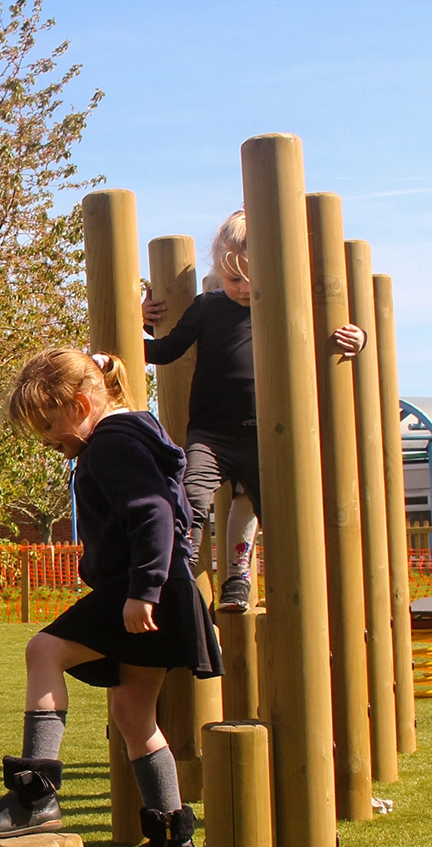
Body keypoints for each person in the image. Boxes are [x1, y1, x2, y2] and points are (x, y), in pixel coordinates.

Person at [0, 348, 221, 847]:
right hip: (164, 589)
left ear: (81, 403)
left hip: (143, 590)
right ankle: (172, 837)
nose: (48, 440)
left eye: (49, 425)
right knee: (132, 715)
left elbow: (153, 513)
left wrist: (142, 590)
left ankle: (36, 797)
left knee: (44, 651)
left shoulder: (109, 444)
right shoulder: (138, 431)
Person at [141, 210, 364, 611]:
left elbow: (330, 333)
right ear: (219, 272)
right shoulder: (207, 307)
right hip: (211, 432)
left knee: (275, 513)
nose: (244, 289)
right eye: (234, 280)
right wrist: (133, 324)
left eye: (251, 279)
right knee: (191, 492)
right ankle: (183, 565)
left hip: (267, 433)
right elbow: (166, 351)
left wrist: (358, 337)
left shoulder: (283, 307)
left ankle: (241, 583)